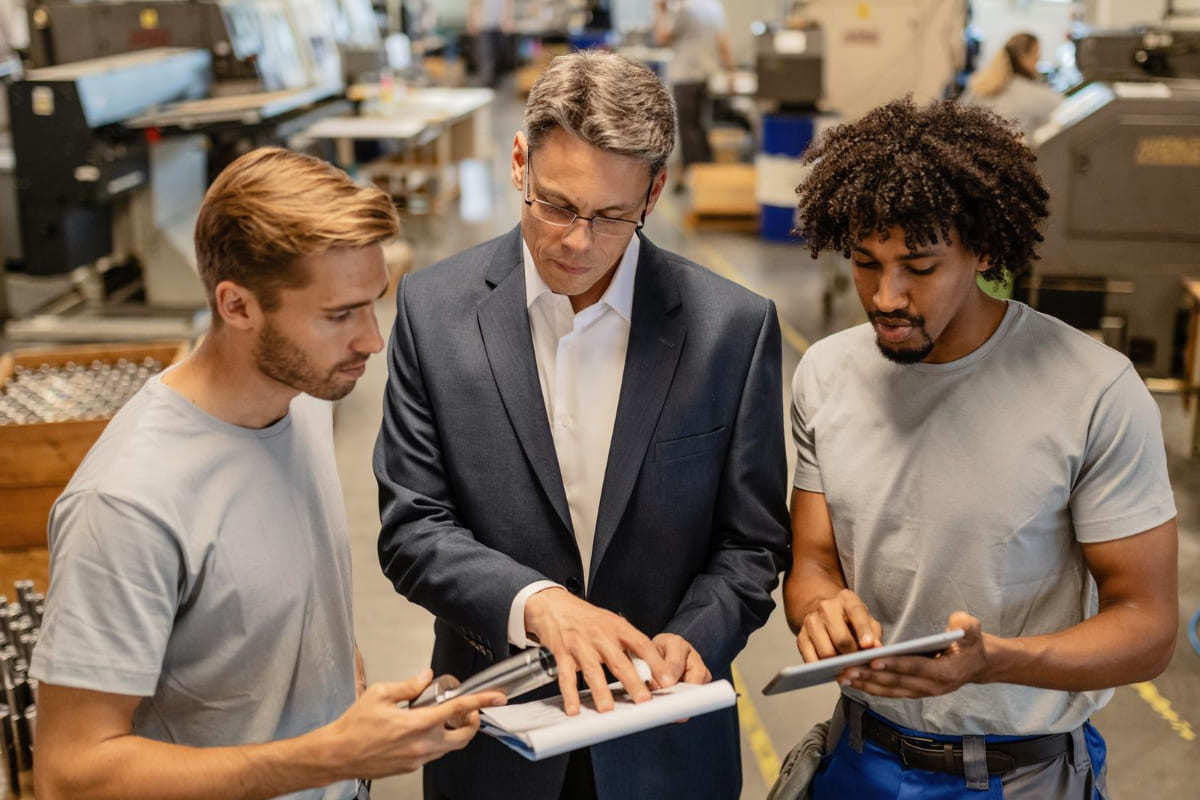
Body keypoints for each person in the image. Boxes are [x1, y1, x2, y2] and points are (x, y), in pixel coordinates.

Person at [374, 50, 790, 799]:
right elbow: (412, 527)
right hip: (496, 740)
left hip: (662, 746)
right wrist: (539, 606)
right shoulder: (432, 312)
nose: (575, 241)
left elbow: (751, 543)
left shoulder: (732, 328)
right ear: (518, 163)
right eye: (556, 205)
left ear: (654, 192)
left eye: (609, 218)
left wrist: (693, 637)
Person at [30, 148, 505, 800]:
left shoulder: (301, 398)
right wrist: (322, 758)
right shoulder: (127, 503)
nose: (372, 339)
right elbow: (71, 773)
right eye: (339, 315)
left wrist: (353, 708)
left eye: (374, 303)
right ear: (237, 305)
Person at [782, 98, 1178, 798]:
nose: (887, 296)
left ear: (984, 249)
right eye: (866, 264)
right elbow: (812, 563)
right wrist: (819, 610)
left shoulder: (1093, 391)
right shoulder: (826, 374)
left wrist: (994, 661)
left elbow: (1147, 627)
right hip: (860, 757)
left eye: (920, 266)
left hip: (1019, 773)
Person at [653, 0, 735, 177]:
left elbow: (662, 39)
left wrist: (660, 11)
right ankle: (707, 174)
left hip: (685, 78)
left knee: (688, 131)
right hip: (705, 78)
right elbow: (723, 41)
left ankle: (695, 177)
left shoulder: (685, 10)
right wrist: (731, 74)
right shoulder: (714, 7)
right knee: (700, 127)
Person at [960, 32, 1061, 141]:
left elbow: (959, 116)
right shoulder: (1029, 92)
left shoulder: (979, 84)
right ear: (1024, 58)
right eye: (1036, 55)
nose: (1038, 60)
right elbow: (1061, 107)